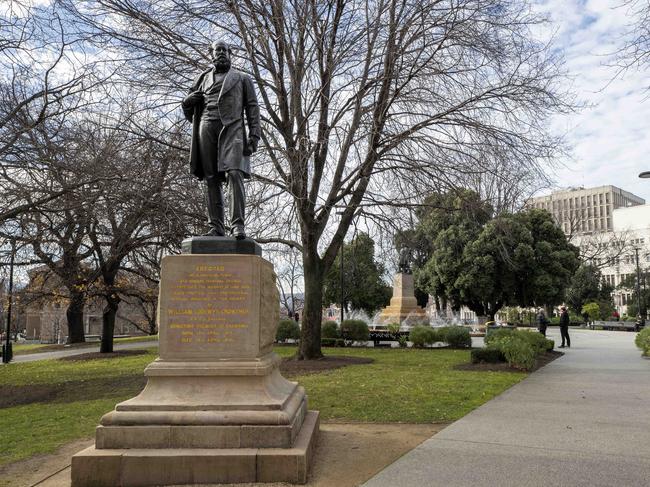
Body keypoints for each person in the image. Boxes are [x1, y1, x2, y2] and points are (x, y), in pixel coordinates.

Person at [182, 40, 261, 239]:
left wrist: (254, 135)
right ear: (211, 54)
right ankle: (216, 227)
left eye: (225, 50)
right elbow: (189, 111)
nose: (221, 53)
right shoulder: (201, 79)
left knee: (235, 173)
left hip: (232, 128)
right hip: (206, 127)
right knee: (211, 178)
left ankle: (237, 225)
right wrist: (186, 103)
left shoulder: (242, 78)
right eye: (218, 50)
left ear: (230, 53)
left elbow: (252, 107)